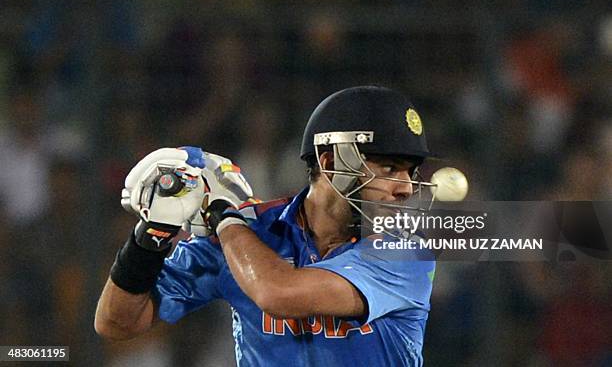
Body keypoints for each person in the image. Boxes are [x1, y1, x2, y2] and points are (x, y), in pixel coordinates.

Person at [95, 86, 437, 366]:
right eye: (390, 168)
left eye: (410, 171)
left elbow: (279, 293)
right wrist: (155, 231)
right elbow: (116, 322)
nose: (406, 186)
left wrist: (224, 217)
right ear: (330, 162)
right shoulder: (248, 233)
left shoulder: (405, 251)